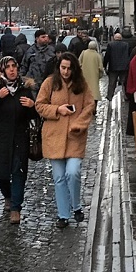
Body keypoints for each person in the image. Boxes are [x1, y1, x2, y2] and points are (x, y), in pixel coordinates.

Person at [36, 52, 96, 228]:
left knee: (73, 172)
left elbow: (89, 105)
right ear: (58, 67)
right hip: (54, 136)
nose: (66, 72)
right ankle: (63, 215)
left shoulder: (81, 84)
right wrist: (57, 109)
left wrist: (79, 123)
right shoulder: (49, 83)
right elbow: (39, 105)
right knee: (59, 178)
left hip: (74, 136)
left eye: (69, 68)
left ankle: (76, 206)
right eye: (63, 68)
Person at [0, 56, 37, 225]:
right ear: (3, 70)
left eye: (14, 66)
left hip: (20, 137)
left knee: (18, 172)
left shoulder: (24, 88)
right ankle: (8, 196)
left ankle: (15, 208)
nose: (12, 70)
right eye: (8, 67)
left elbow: (35, 115)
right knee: (2, 173)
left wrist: (32, 106)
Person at [104, 33, 130, 100]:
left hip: (113, 67)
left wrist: (104, 65)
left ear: (114, 38)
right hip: (124, 67)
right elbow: (128, 55)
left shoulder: (110, 45)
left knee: (112, 83)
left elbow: (107, 56)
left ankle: (110, 96)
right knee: (124, 83)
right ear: (120, 38)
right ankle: (126, 96)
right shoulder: (126, 45)